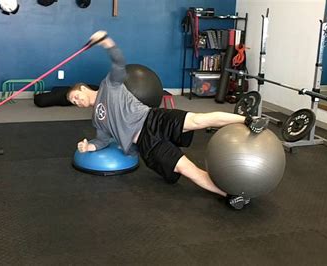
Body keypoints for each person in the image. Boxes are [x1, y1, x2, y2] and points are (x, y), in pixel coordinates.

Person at [67, 31, 269, 210]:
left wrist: (106, 42)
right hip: (146, 142)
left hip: (153, 118)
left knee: (199, 120)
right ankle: (230, 196)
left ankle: (249, 120)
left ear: (83, 88)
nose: (76, 102)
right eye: (73, 103)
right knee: (187, 169)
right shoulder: (96, 119)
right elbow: (102, 139)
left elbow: (119, 62)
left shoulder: (108, 84)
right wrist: (89, 147)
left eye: (75, 96)